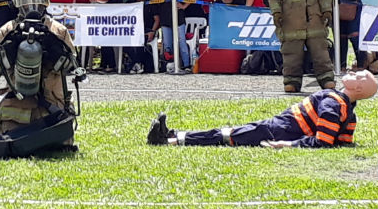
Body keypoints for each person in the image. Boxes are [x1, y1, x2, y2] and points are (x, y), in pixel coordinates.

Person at [147, 70, 378, 148]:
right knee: (228, 133)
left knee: (227, 135)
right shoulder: (345, 109)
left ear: (358, 87)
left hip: (280, 131)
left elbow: (323, 141)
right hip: (279, 127)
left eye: (360, 76)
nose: (354, 72)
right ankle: (173, 136)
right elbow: (343, 141)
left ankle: (170, 140)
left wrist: (287, 144)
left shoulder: (334, 105)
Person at [0, 0, 80, 149]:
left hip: (52, 100)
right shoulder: (8, 30)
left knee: (60, 143)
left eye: (36, 0)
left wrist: (56, 54)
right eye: (26, 0)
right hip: (18, 98)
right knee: (11, 139)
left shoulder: (58, 30)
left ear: (44, 2)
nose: (32, 6)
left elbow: (72, 63)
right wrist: (10, 53)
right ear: (17, 3)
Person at [155, 0, 196, 71]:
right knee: (167, 44)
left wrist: (184, 6)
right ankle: (169, 65)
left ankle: (186, 65)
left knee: (182, 42)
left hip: (179, 19)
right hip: (165, 19)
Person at [89, 0, 127, 72]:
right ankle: (104, 63)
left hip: (113, 13)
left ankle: (111, 64)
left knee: (109, 40)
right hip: (106, 13)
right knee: (103, 40)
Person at [125, 0, 160, 74]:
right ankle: (137, 62)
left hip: (148, 29)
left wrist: (153, 31)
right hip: (132, 30)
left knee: (140, 40)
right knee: (123, 40)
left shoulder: (151, 4)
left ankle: (136, 63)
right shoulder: (130, 3)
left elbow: (157, 20)